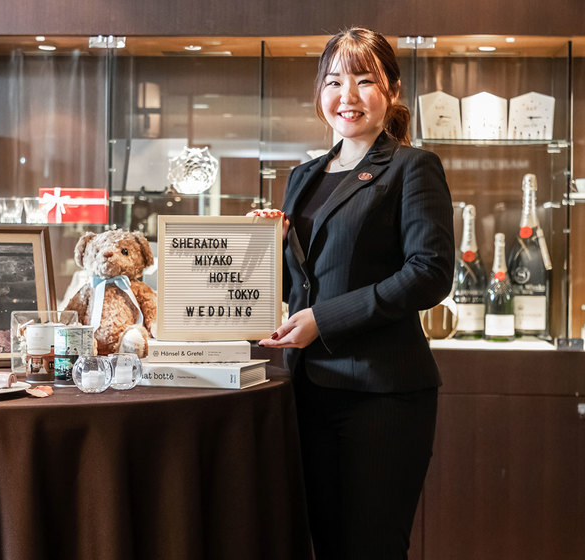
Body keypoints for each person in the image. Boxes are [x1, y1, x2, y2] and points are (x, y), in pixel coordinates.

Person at [256, 27, 455, 559]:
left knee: (371, 547)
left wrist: (324, 319)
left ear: (391, 89)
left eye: (364, 80)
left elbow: (430, 272)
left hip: (381, 393)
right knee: (322, 545)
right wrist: (263, 247)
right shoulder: (302, 176)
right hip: (305, 390)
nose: (347, 96)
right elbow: (300, 284)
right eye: (334, 81)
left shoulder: (413, 167)